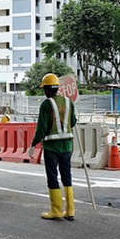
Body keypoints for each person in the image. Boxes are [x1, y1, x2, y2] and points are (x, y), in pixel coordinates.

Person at [28, 73, 77, 221]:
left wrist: (33, 144)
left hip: (51, 147)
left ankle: (56, 210)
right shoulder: (69, 102)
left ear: (47, 89)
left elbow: (41, 128)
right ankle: (70, 211)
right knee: (66, 176)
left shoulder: (46, 104)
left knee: (52, 177)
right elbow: (73, 122)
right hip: (67, 145)